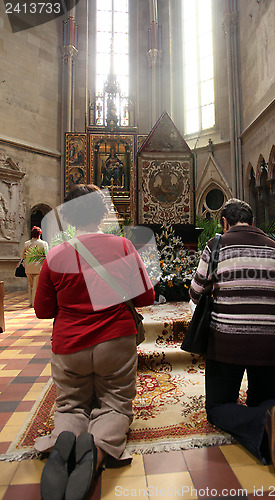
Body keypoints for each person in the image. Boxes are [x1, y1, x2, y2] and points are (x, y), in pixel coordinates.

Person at [33, 184, 155, 500]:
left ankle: (65, 442)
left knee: (70, 403)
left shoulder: (56, 254)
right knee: (115, 402)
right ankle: (97, 451)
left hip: (69, 345)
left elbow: (42, 310)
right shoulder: (123, 247)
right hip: (115, 340)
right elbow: (146, 297)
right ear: (104, 212)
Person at [189, 198, 275, 478]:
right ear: (254, 222)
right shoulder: (273, 247)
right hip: (274, 339)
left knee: (218, 407)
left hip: (229, 340)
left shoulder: (216, 245)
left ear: (224, 223)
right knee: (264, 397)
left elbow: (196, 291)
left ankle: (265, 424)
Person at [22, 226, 49, 307]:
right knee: (36, 287)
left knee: (30, 285)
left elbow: (23, 255)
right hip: (38, 267)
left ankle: (30, 302)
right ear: (39, 234)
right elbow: (46, 256)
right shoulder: (43, 244)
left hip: (28, 267)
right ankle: (34, 303)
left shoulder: (26, 243)